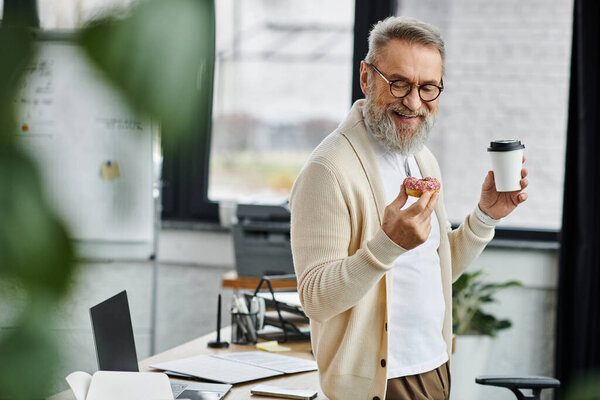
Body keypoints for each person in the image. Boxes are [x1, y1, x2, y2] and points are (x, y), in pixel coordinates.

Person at [289, 16, 528, 400]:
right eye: (399, 83)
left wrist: (485, 216)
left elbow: (433, 268)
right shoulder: (328, 170)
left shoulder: (420, 159)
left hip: (435, 367)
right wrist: (386, 244)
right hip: (380, 385)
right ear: (367, 78)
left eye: (428, 87)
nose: (414, 102)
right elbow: (315, 298)